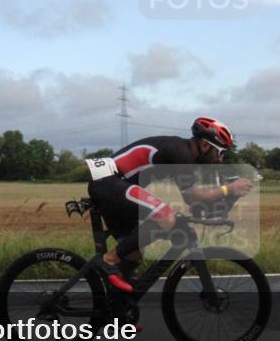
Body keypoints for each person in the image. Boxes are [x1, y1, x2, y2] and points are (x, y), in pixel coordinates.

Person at [86, 117, 254, 293]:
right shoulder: (181, 153)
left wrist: (226, 196)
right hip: (107, 182)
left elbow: (197, 196)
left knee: (132, 254)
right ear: (205, 145)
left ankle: (119, 314)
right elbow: (193, 197)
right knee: (164, 215)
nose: (221, 159)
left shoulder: (184, 152)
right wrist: (229, 189)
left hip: (112, 184)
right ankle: (108, 260)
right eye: (221, 153)